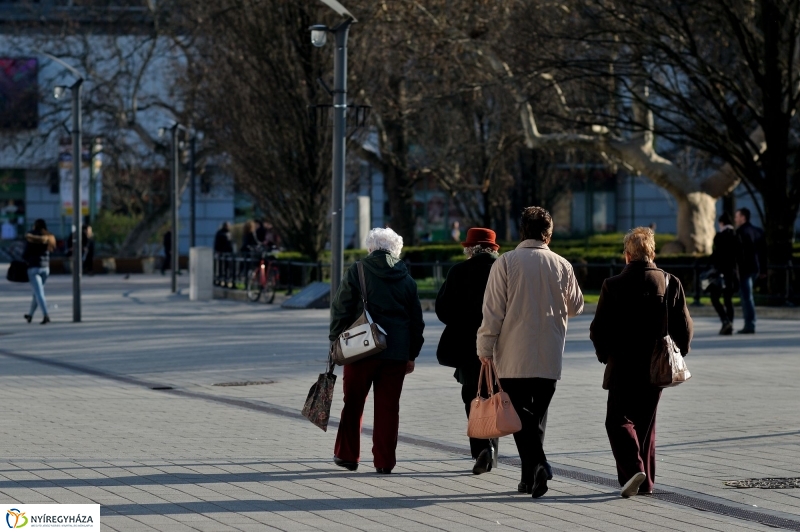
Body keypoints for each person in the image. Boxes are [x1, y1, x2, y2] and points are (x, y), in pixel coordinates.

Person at [477, 206, 584, 498]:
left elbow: (493, 311)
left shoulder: (507, 263)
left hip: (513, 355)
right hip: (549, 353)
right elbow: (576, 306)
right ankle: (529, 478)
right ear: (548, 234)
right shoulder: (562, 264)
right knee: (535, 418)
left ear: (522, 231)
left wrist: (485, 348)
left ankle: (539, 465)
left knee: (520, 418)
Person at [590, 227, 693, 498]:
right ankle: (645, 483)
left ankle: (635, 470)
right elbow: (684, 326)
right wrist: (680, 351)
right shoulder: (669, 282)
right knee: (646, 426)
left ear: (627, 255)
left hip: (622, 364)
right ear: (652, 253)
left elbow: (598, 328)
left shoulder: (612, 285)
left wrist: (604, 354)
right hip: (656, 365)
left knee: (617, 420)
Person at [330, 227, 425, 474]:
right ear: (396, 251)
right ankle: (384, 462)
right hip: (395, 352)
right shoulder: (406, 278)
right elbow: (417, 321)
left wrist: (334, 342)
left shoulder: (357, 271)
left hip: (360, 349)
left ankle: (348, 456)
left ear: (371, 248)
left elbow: (340, 309)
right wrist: (411, 354)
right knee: (388, 408)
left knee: (352, 402)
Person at [435, 227, 500, 475]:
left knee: (472, 396)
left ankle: (481, 449)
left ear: (469, 248)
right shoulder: (503, 269)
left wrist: (462, 320)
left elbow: (442, 309)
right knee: (496, 395)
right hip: (501, 345)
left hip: (467, 347)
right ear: (494, 248)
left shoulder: (458, 271)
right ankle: (492, 448)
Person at [734, 208, 766, 334]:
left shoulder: (741, 232)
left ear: (743, 217)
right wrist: (763, 269)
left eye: (737, 216)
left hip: (745, 269)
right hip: (755, 268)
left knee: (746, 297)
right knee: (747, 296)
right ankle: (750, 322)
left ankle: (750, 324)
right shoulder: (757, 231)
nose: (736, 219)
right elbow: (763, 252)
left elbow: (739, 254)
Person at [707, 213, 739, 335]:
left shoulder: (719, 237)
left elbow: (715, 255)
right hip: (732, 273)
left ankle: (725, 320)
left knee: (715, 298)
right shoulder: (736, 235)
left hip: (720, 273)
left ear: (721, 223)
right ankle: (729, 323)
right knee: (728, 299)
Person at [22, 219, 56, 325]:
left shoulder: (31, 237)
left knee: (39, 293)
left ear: (34, 226)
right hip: (45, 268)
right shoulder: (49, 237)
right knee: (37, 293)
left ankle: (46, 315)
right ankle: (30, 315)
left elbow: (25, 253)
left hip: (33, 268)